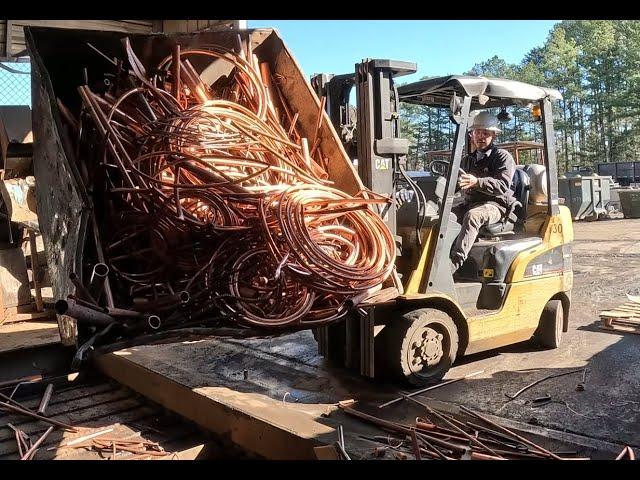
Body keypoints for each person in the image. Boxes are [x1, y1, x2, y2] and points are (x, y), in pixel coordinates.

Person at [450, 111, 516, 273]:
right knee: (444, 215)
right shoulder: (468, 160)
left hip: (496, 206)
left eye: (485, 133)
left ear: (494, 135)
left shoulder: (502, 157)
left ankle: (455, 262)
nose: (480, 136)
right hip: (471, 203)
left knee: (473, 216)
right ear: (472, 135)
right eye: (477, 132)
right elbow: (456, 185)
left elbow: (502, 185)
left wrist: (477, 182)